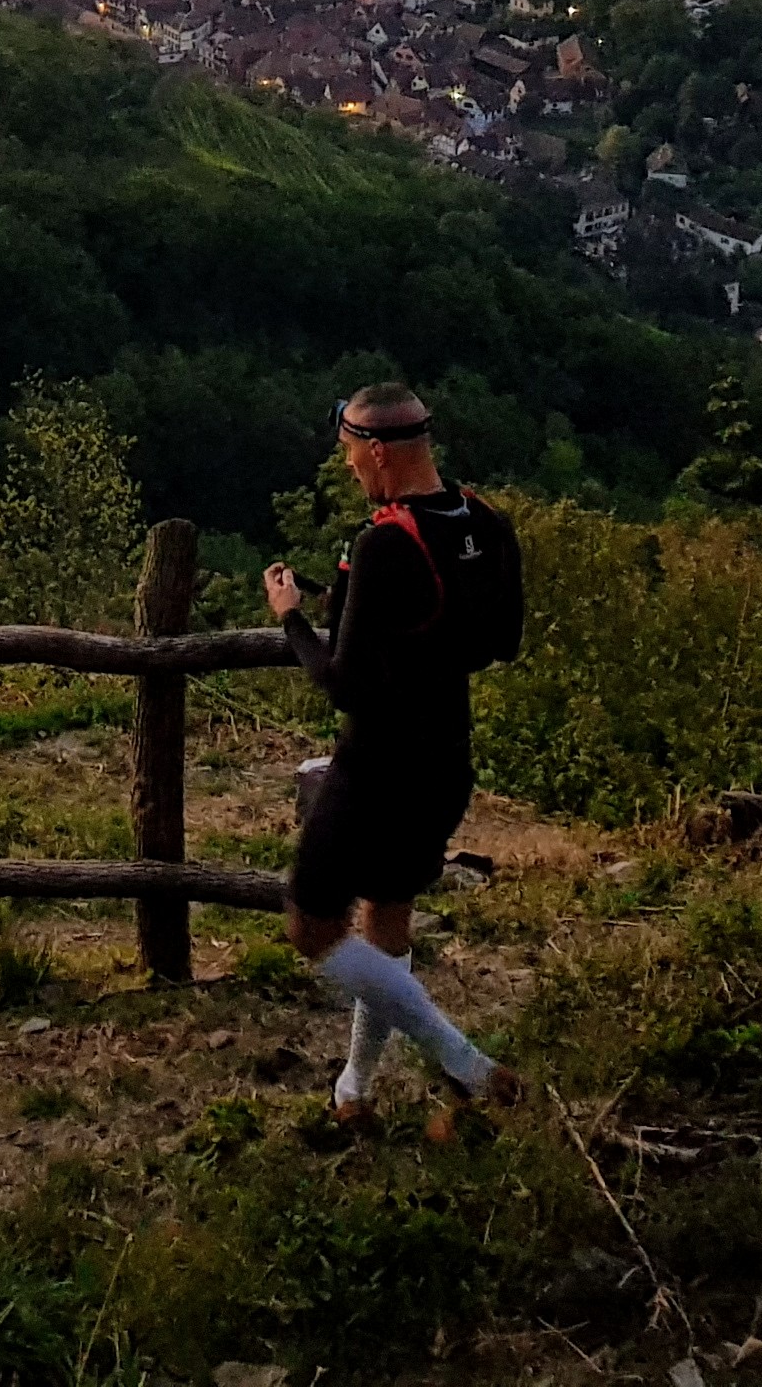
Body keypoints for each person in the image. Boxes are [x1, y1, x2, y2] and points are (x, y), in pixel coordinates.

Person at [262, 381, 523, 1138]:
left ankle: (467, 1064)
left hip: (376, 766)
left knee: (311, 926)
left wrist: (292, 620)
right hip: (446, 760)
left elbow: (342, 683)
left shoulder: (382, 542)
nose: (348, 468)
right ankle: (354, 1090)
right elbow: (501, 642)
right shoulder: (487, 522)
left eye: (349, 454)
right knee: (386, 920)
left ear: (377, 451)